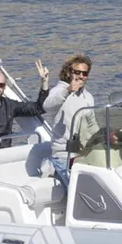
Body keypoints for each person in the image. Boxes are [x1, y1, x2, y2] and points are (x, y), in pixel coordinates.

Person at [43, 54, 96, 187]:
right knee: (79, 189)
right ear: (68, 72)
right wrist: (68, 90)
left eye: (85, 73)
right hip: (63, 155)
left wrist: (105, 138)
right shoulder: (58, 91)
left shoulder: (88, 97)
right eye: (77, 72)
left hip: (83, 154)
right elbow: (47, 106)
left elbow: (92, 124)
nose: (81, 76)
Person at [0, 61, 50, 154]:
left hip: (6, 154)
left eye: (0, 85)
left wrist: (44, 83)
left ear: (4, 87)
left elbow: (38, 108)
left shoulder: (9, 105)